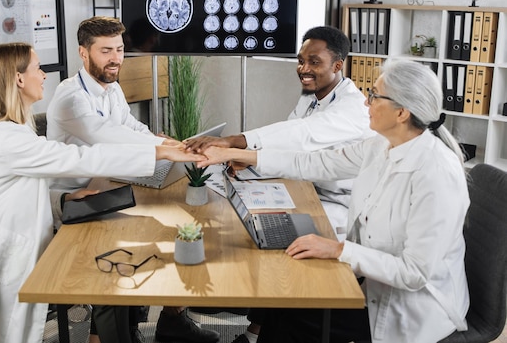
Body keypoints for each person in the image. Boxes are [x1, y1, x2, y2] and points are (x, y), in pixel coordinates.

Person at [0, 42, 203, 343]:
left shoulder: (15, 128)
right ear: (19, 79)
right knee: (108, 273)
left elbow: (15, 193)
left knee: (113, 255)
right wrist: (160, 153)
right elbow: (80, 157)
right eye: (38, 68)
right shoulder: (3, 138)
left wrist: (63, 200)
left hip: (20, 236)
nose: (44, 75)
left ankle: (122, 331)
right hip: (5, 258)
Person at [196, 60, 470, 342]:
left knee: (292, 312)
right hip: (369, 281)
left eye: (375, 96)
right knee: (284, 296)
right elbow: (317, 162)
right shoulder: (382, 145)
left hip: (409, 307)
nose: (366, 103)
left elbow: (414, 273)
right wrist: (241, 155)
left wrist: (338, 249)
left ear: (401, 112)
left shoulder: (436, 174)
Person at [185, 26, 373, 343]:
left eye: (314, 62)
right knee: (251, 210)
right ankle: (255, 325)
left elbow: (303, 137)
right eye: (301, 61)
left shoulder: (353, 108)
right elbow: (292, 142)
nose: (304, 69)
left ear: (338, 65)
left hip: (340, 204)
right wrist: (247, 158)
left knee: (279, 235)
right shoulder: (312, 98)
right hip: (310, 187)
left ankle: (262, 321)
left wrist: (237, 144)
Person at [47, 16, 220, 343]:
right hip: (76, 201)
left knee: (174, 225)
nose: (116, 59)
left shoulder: (111, 87)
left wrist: (162, 139)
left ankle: (170, 320)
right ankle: (112, 331)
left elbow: (128, 126)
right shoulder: (71, 98)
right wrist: (166, 150)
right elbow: (109, 137)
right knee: (142, 241)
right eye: (106, 51)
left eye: (120, 49)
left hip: (109, 184)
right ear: (84, 54)